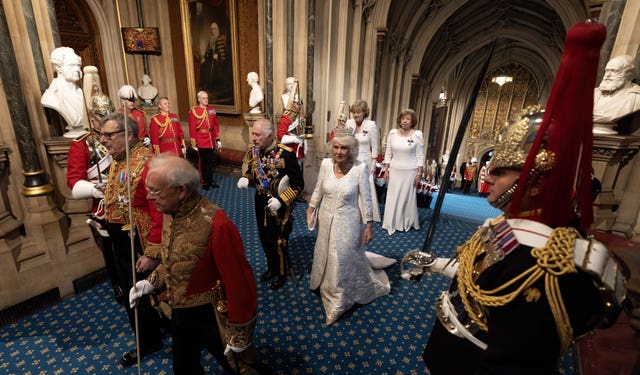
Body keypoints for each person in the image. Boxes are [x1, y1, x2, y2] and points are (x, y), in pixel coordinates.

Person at [421, 22, 622, 374]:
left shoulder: (547, 269)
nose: (488, 177)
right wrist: (435, 263)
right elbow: (480, 276)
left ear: (535, 183)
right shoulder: (511, 225)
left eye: (500, 171)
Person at [129, 154, 259, 374]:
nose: (149, 197)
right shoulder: (170, 211)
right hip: (179, 311)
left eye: (156, 191)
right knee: (184, 368)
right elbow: (174, 256)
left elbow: (239, 282)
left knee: (240, 368)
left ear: (181, 191)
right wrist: (152, 282)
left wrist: (239, 333)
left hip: (212, 316)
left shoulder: (217, 224)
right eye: (149, 189)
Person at [306, 134, 395, 325]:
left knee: (340, 257)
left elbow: (366, 198)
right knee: (324, 252)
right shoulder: (325, 165)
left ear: (351, 150)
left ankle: (336, 302)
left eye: (344, 148)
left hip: (349, 221)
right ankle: (322, 282)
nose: (339, 152)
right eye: (336, 147)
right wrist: (312, 206)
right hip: (326, 218)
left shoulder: (359, 169)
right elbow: (318, 188)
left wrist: (369, 225)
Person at [99, 112, 164, 366]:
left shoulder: (147, 162)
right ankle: (152, 333)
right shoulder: (118, 158)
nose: (103, 140)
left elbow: (158, 209)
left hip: (140, 240)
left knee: (138, 291)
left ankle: (147, 341)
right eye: (102, 134)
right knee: (131, 289)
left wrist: (152, 252)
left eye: (109, 135)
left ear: (128, 135)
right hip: (120, 236)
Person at [237, 119, 304, 290]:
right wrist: (247, 178)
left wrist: (281, 201)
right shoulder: (254, 152)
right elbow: (252, 172)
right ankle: (271, 268)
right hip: (260, 201)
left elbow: (298, 184)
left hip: (280, 205)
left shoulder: (286, 154)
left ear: (269, 136)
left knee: (279, 240)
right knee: (265, 238)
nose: (253, 138)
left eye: (257, 135)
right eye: (253, 134)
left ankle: (281, 274)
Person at [66, 91, 120, 300]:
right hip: (104, 207)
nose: (106, 123)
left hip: (131, 203)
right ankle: (120, 286)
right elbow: (74, 180)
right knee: (114, 254)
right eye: (101, 118)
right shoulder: (82, 144)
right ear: (93, 117)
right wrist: (93, 189)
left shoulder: (122, 138)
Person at [382, 109, 424, 235]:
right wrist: (386, 170)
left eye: (408, 119)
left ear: (412, 121)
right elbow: (388, 153)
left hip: (410, 171)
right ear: (400, 120)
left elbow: (420, 156)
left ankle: (404, 222)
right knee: (393, 196)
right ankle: (391, 222)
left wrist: (419, 174)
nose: (405, 121)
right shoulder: (393, 133)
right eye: (403, 118)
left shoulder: (417, 135)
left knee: (406, 198)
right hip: (394, 170)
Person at [346, 100, 381, 222]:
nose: (355, 115)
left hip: (365, 161)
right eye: (354, 112)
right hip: (351, 160)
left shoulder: (371, 125)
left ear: (364, 113)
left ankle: (367, 215)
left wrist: (374, 161)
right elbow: (346, 140)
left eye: (358, 112)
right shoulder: (349, 123)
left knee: (366, 189)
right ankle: (352, 212)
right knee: (352, 187)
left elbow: (375, 146)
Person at [41, 46, 84, 137]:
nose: (77, 69)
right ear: (59, 68)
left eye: (79, 66)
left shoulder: (82, 93)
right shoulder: (51, 96)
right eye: (72, 65)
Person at [593, 54, 640, 126]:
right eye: (607, 71)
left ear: (628, 74)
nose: (608, 75)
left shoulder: (636, 97)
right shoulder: (594, 93)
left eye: (614, 71)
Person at [188, 90, 221, 190]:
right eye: (203, 98)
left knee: (210, 162)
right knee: (203, 162)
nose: (206, 100)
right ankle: (204, 181)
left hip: (211, 139)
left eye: (207, 98)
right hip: (201, 139)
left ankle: (210, 180)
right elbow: (192, 127)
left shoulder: (211, 109)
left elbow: (215, 125)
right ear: (199, 99)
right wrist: (194, 142)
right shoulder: (194, 111)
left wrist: (217, 139)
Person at [200, 22, 232, 104]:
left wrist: (218, 56)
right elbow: (208, 51)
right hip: (211, 61)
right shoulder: (211, 39)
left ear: (216, 29)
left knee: (216, 74)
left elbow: (223, 53)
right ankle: (209, 88)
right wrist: (205, 58)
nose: (212, 30)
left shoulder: (219, 39)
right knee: (206, 70)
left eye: (213, 29)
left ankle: (217, 89)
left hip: (217, 63)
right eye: (211, 29)